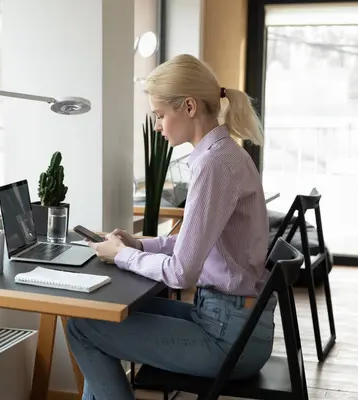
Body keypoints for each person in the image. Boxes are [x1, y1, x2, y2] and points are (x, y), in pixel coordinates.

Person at [65, 53, 275, 400]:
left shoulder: (215, 165)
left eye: (160, 115)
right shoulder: (222, 155)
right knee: (100, 318)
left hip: (229, 339)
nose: (158, 125)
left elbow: (181, 274)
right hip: (231, 321)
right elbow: (191, 245)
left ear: (189, 107)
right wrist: (136, 245)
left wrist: (121, 257)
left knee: (83, 328)